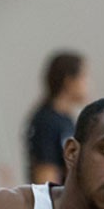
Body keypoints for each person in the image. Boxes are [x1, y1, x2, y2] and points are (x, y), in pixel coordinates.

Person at [24, 50, 89, 185]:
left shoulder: (67, 120)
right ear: (69, 81)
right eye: (84, 77)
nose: (88, 84)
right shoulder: (46, 121)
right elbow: (45, 177)